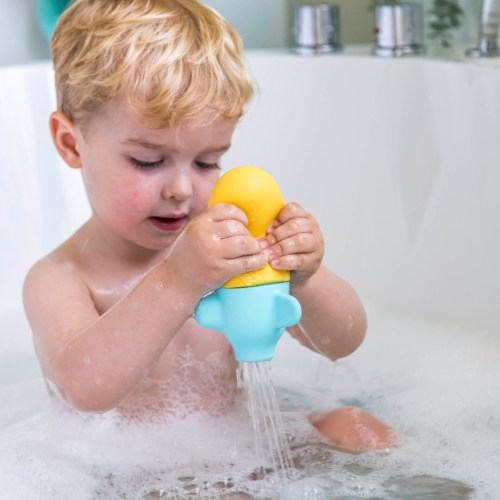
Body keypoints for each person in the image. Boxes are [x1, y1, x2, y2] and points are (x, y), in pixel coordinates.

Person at [23, 0, 396, 454]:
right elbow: (83, 391)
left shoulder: (228, 248)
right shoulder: (61, 279)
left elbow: (341, 343)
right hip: (127, 470)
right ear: (70, 143)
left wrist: (305, 278)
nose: (182, 189)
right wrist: (178, 280)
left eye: (207, 162)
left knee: (357, 427)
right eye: (148, 161)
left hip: (233, 446)